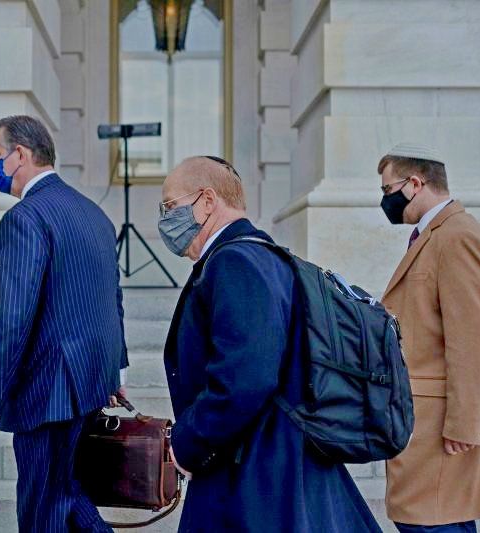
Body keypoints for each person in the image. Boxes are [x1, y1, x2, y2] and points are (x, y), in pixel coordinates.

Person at [159, 155, 381, 532]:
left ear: (207, 200)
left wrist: (188, 443)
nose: (164, 220)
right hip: (263, 461)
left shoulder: (236, 262)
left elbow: (245, 377)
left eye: (169, 207)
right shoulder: (256, 255)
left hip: (254, 473)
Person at [0, 115, 128, 532]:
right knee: (67, 495)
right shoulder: (95, 215)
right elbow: (112, 300)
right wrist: (117, 369)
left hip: (50, 391)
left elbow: (14, 318)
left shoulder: (24, 218)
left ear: (20, 155)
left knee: (43, 510)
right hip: (91, 383)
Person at [377, 143, 480, 532]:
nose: (384, 200)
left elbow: (471, 338)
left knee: (432, 523)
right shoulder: (435, 234)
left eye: (388, 190)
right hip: (426, 418)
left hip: (443, 426)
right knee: (434, 520)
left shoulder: (457, 235)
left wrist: (465, 424)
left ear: (415, 183)